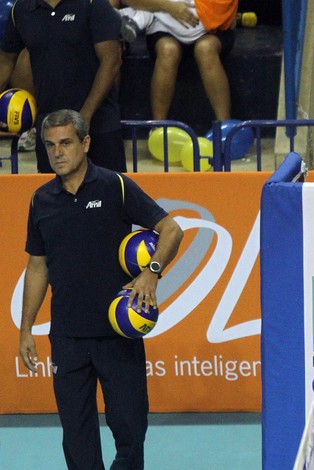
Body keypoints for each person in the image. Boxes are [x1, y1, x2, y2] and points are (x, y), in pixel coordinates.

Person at [18, 109, 184, 467]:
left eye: (66, 143)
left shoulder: (115, 186)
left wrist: (151, 272)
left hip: (118, 333)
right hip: (67, 337)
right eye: (50, 145)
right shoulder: (40, 200)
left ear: (86, 143)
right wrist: (26, 328)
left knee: (129, 430)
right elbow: (37, 266)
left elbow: (171, 229)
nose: (58, 152)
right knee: (76, 436)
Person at [0, 0, 126, 174]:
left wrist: (85, 115)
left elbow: (111, 61)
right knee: (54, 197)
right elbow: (6, 60)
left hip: (98, 125)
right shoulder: (21, 10)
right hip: (50, 129)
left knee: (109, 196)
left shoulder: (93, 5)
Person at [122, 0, 236, 124]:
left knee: (205, 48)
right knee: (168, 50)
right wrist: (168, 6)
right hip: (164, 24)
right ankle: (158, 128)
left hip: (210, 25)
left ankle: (226, 127)